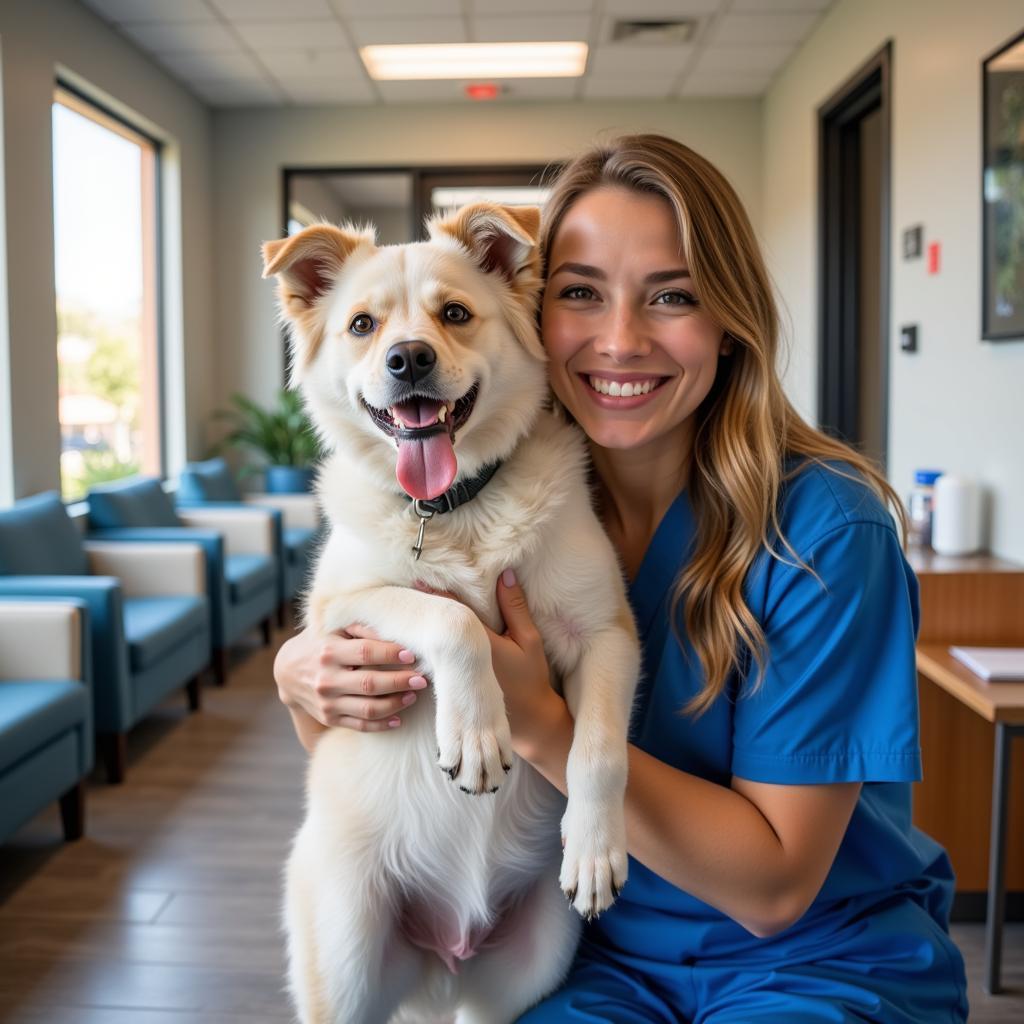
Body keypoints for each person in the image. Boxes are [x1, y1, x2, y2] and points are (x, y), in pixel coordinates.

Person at [273, 134, 969, 1023]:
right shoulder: (509, 483)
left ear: (730, 318)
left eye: (672, 296)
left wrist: (537, 719)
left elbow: (776, 889)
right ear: (532, 306)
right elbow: (386, 757)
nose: (620, 340)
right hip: (599, 956)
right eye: (580, 295)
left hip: (810, 959)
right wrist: (304, 680)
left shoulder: (825, 530)